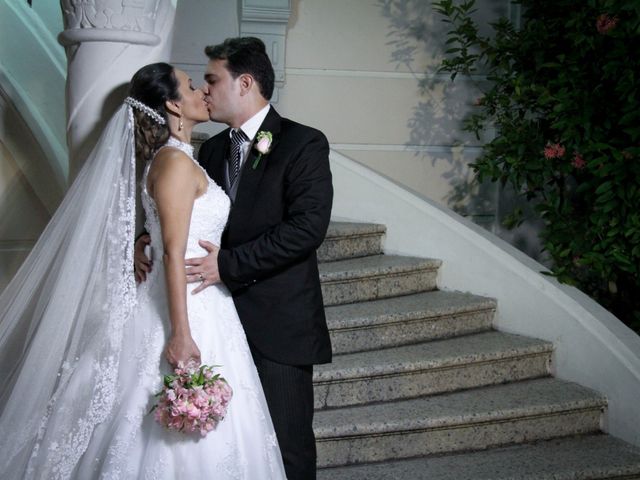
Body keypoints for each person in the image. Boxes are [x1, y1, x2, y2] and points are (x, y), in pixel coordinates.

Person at [0, 62, 286, 479]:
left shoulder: (183, 159)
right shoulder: (173, 164)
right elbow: (173, 253)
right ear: (172, 103)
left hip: (208, 303)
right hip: (183, 308)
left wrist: (142, 240)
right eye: (191, 86)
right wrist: (181, 334)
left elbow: (169, 235)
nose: (202, 92)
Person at [137, 37, 334, 480]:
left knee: (286, 447)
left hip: (278, 324)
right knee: (235, 450)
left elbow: (306, 229)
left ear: (245, 83)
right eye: (200, 83)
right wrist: (142, 237)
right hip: (220, 321)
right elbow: (182, 217)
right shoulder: (209, 150)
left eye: (212, 79)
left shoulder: (303, 144)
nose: (205, 91)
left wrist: (227, 265)